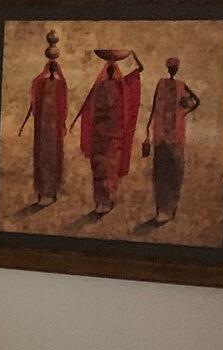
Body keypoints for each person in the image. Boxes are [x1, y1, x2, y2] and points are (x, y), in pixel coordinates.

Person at [73, 48, 144, 216]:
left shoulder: (122, 86)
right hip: (98, 136)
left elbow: (139, 71)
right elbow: (88, 106)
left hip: (114, 136)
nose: (110, 71)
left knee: (110, 169)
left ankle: (109, 200)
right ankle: (99, 201)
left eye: (113, 69)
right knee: (98, 170)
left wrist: (133, 54)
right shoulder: (99, 86)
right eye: (108, 69)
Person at [144, 56, 201, 222]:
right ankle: (161, 209)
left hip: (175, 136)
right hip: (160, 134)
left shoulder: (181, 85)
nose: (172, 70)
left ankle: (169, 209)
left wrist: (185, 107)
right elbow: (155, 106)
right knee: (160, 172)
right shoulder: (161, 83)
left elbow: (196, 101)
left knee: (174, 173)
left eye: (174, 67)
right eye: (171, 67)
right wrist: (148, 128)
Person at [17, 32, 67, 205]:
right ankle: (42, 193)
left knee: (53, 159)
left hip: (54, 131)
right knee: (42, 158)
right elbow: (34, 103)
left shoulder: (60, 83)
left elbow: (63, 105)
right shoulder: (40, 82)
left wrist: (63, 123)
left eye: (54, 67)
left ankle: (52, 192)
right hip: (43, 129)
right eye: (51, 67)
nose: (53, 70)